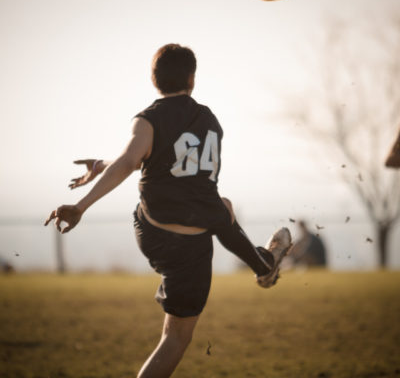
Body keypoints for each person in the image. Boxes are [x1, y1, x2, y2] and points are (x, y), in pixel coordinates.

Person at [45, 44, 292, 378]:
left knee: (222, 207)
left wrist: (82, 202)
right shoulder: (210, 120)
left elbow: (134, 159)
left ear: (153, 79)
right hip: (191, 248)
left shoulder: (147, 119)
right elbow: (160, 161)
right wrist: (90, 191)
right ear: (192, 78)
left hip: (150, 230)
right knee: (174, 339)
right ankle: (263, 265)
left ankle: (263, 265)